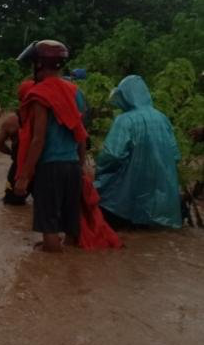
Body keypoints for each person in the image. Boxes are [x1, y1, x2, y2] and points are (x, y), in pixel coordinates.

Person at [13, 40, 88, 252]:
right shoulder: (76, 92)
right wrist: (80, 165)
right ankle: (69, 277)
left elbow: (38, 139)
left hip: (50, 167)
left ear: (39, 64)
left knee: (50, 231)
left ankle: (52, 277)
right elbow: (80, 133)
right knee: (71, 228)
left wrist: (24, 176)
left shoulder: (40, 94)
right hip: (73, 165)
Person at [94, 75, 182, 229]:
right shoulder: (162, 118)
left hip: (128, 204)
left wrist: (98, 171)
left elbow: (112, 155)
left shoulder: (124, 120)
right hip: (164, 208)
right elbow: (175, 155)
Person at [0, 79, 35, 205]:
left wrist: (12, 153)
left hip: (19, 169)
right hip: (44, 168)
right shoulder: (49, 119)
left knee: (12, 205)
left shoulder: (11, 121)